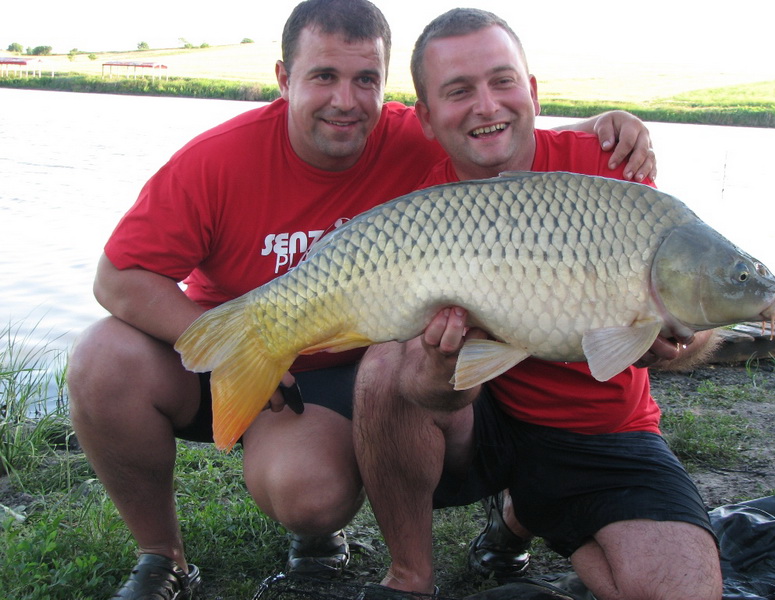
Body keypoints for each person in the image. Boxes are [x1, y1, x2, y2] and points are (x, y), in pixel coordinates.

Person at [66, 1, 657, 598]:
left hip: (336, 371)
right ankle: (162, 556)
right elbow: (118, 277)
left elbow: (498, 131)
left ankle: (323, 532)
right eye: (324, 76)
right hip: (238, 341)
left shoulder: (408, 137)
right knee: (102, 358)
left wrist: (605, 125)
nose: (346, 101)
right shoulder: (218, 159)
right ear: (284, 78)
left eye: (366, 80)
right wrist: (227, 347)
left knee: (309, 495)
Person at [353, 8, 722, 600]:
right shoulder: (426, 208)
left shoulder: (610, 169)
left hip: (600, 430)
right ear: (425, 117)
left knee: (679, 591)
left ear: (531, 91)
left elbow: (692, 297)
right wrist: (440, 370)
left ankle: (524, 512)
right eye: (459, 91)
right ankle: (409, 578)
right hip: (481, 420)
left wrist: (682, 340)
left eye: (502, 82)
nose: (486, 106)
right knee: (384, 370)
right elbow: (428, 392)